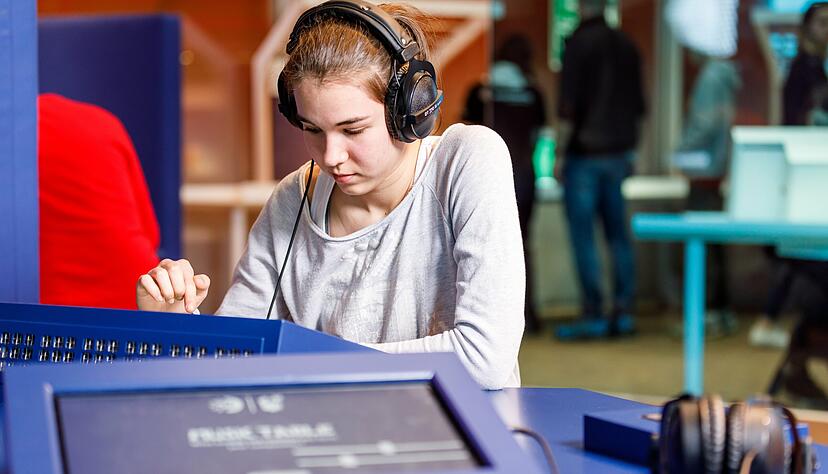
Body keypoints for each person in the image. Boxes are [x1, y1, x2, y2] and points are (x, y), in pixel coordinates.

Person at [136, 0, 526, 390]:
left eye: (352, 130)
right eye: (312, 130)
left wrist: (301, 361)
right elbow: (235, 357)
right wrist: (173, 326)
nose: (331, 157)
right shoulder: (294, 197)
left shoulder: (467, 159)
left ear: (409, 112)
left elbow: (484, 358)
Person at [553, 0, 645, 340]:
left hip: (584, 155)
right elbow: (639, 107)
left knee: (584, 238)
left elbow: (569, 107)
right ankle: (624, 312)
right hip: (619, 153)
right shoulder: (626, 44)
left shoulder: (577, 44)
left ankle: (593, 314)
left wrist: (559, 154)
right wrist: (632, 150)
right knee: (618, 235)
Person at [752, 1, 828, 348]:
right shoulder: (803, 71)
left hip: (811, 176)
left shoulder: (814, 70)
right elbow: (796, 124)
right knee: (798, 253)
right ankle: (770, 321)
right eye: (822, 23)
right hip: (802, 177)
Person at [40, 93, 160, 309]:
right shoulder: (101, 121)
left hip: (50, 316)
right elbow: (150, 233)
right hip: (143, 299)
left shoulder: (12, 138)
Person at [462, 34, 547, 334]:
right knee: (521, 246)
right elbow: (538, 137)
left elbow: (468, 136)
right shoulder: (533, 93)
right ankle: (529, 316)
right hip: (524, 177)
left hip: (482, 178)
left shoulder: (480, 91)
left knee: (477, 249)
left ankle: (487, 323)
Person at [673, 53, 741, 338]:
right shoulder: (724, 77)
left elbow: (704, 125)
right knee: (713, 244)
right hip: (716, 170)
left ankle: (707, 312)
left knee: (702, 246)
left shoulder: (710, 78)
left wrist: (679, 154)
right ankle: (719, 310)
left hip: (704, 170)